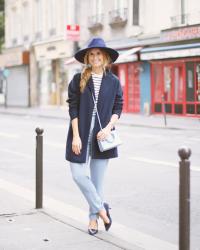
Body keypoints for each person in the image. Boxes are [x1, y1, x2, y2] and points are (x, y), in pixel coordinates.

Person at [65, 37, 123, 235]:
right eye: (92, 54)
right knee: (78, 175)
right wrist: (75, 136)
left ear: (105, 57)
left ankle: (93, 220)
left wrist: (108, 128)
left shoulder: (113, 81)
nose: (95, 57)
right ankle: (101, 210)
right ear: (88, 57)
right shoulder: (78, 79)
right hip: (80, 134)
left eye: (99, 53)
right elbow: (73, 107)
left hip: (102, 137)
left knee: (97, 182)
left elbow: (118, 107)